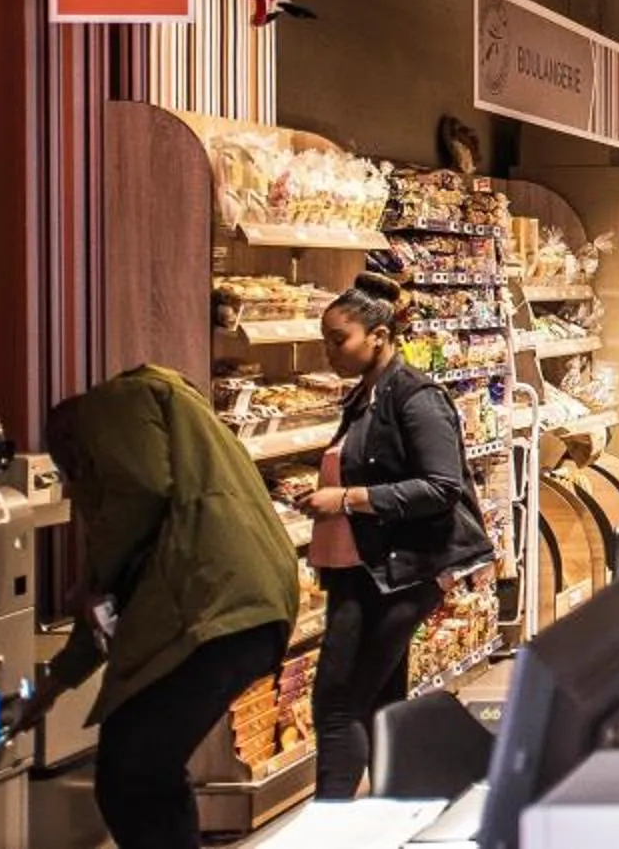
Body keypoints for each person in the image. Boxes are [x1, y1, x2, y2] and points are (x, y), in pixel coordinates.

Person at [33, 367, 300, 849]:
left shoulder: (109, 406)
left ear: (72, 440)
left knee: (132, 770)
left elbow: (139, 494)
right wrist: (57, 682)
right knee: (148, 765)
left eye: (70, 466)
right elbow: (113, 601)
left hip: (216, 607)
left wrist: (94, 580)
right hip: (251, 606)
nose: (74, 482)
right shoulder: (178, 428)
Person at [305, 271, 494, 800]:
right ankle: (392, 808)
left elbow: (441, 486)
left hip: (399, 572)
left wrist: (347, 500)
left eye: (338, 340)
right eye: (325, 341)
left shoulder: (415, 397)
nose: (329, 352)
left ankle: (332, 824)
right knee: (382, 697)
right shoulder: (366, 394)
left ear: (380, 337)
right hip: (366, 569)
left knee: (339, 702)